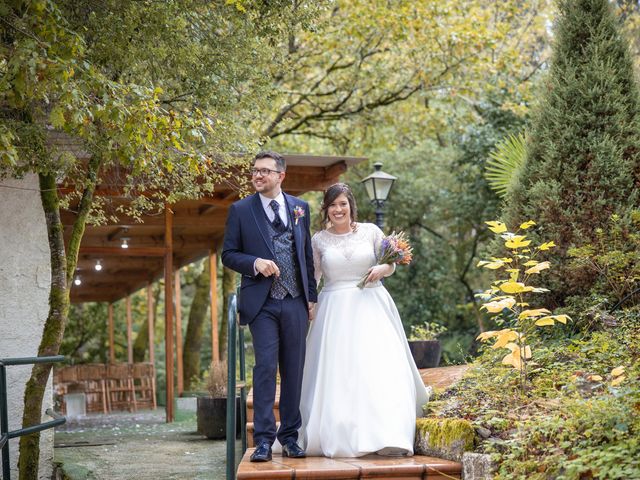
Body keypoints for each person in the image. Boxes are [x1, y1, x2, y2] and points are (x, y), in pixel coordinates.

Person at [299, 183, 429, 458]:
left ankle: (387, 433)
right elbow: (314, 278)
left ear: (351, 206)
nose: (338, 209)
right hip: (333, 312)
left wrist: (384, 268)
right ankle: (341, 433)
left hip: (371, 306)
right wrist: (309, 304)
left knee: (377, 368)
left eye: (342, 204)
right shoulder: (319, 240)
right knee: (340, 374)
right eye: (333, 205)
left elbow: (392, 262)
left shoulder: (371, 231)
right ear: (326, 209)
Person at [222, 151, 317, 462]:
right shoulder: (240, 210)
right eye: (254, 171)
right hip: (261, 304)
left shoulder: (301, 208)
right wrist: (255, 263)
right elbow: (229, 254)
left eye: (264, 171)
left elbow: (305, 257)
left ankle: (290, 438)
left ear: (281, 176)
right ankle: (263, 440)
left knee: (294, 370)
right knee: (265, 369)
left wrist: (311, 298)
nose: (257, 176)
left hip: (294, 302)